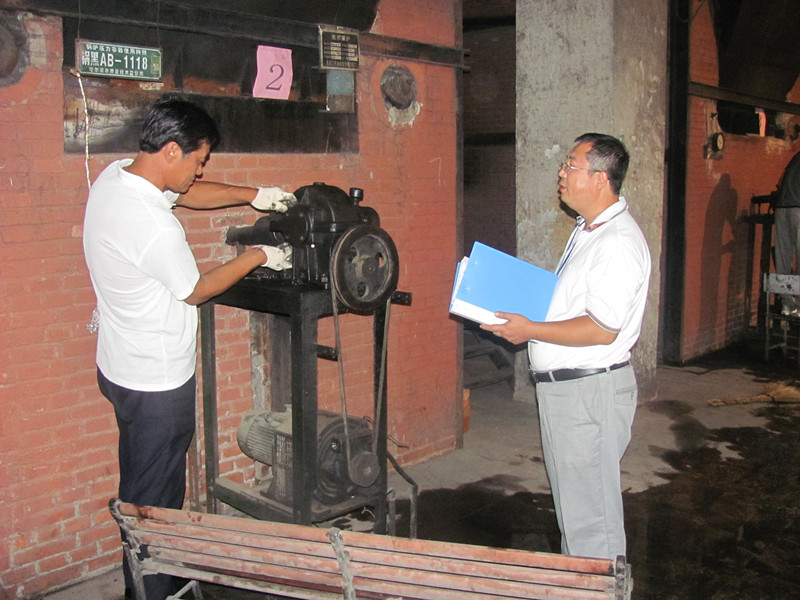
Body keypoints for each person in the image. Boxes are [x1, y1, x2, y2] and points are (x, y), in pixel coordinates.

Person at [83, 96, 297, 599]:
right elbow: (195, 289)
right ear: (172, 151)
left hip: (119, 368)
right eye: (199, 161)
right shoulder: (153, 225)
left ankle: (152, 575)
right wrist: (261, 255)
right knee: (156, 503)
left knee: (141, 483)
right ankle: (154, 588)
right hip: (157, 383)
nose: (200, 172)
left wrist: (257, 196)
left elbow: (184, 192)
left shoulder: (117, 178)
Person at [482, 133, 650, 560]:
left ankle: (603, 587)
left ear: (600, 179)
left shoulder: (617, 243)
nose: (561, 172)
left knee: (592, 521)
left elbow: (601, 329)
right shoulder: (590, 231)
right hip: (571, 392)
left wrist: (531, 329)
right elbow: (575, 304)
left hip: (587, 393)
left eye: (571, 165)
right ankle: (584, 584)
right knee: (577, 514)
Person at [774, 150, 800, 315]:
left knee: (782, 258)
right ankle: (799, 303)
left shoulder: (796, 157)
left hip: (781, 209)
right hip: (799, 209)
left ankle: (786, 304)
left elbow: (780, 182)